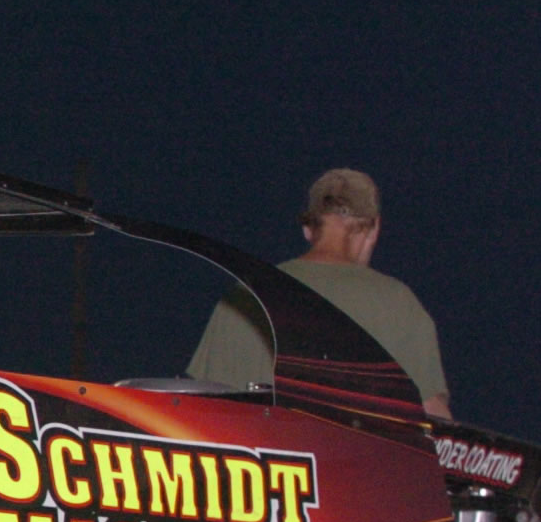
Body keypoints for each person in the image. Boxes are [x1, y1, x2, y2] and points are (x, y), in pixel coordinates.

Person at [187, 167, 451, 419]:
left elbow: (200, 410)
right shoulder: (399, 304)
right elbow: (434, 422)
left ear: (308, 229)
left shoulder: (244, 297)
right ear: (373, 230)